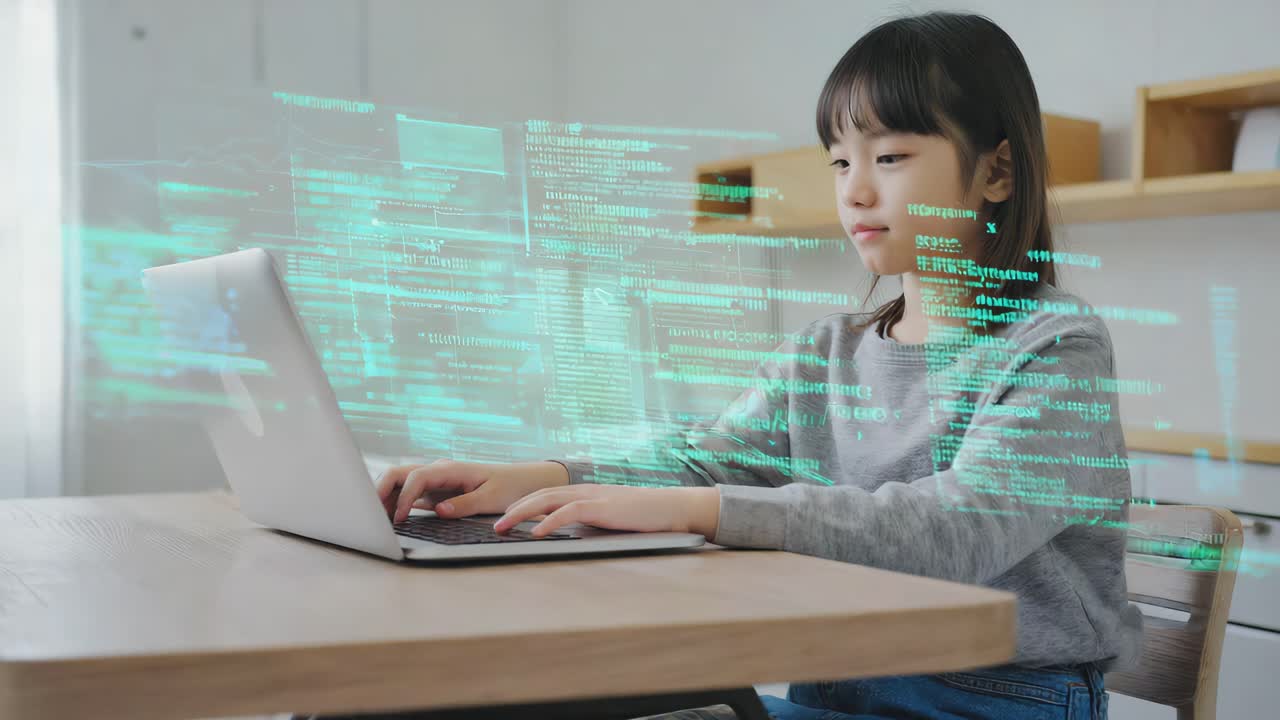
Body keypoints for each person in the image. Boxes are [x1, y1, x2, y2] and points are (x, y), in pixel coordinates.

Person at [363, 11, 1143, 720]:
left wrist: (704, 512)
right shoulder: (825, 350)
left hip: (992, 700)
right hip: (830, 683)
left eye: (892, 155)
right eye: (840, 163)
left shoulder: (1055, 346)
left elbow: (961, 528)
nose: (857, 190)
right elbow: (706, 461)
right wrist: (540, 477)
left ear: (997, 173)